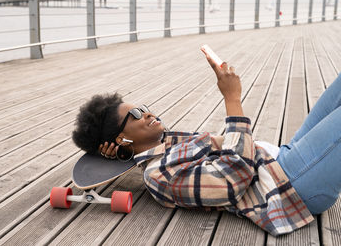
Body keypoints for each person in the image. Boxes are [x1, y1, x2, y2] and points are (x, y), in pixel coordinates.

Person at [72, 46, 341, 236]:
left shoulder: (167, 145)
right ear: (122, 137)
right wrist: (232, 98)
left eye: (143, 107)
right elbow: (233, 179)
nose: (148, 113)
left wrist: (120, 155)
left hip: (279, 160)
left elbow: (154, 145)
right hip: (290, 185)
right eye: (135, 115)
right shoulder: (159, 176)